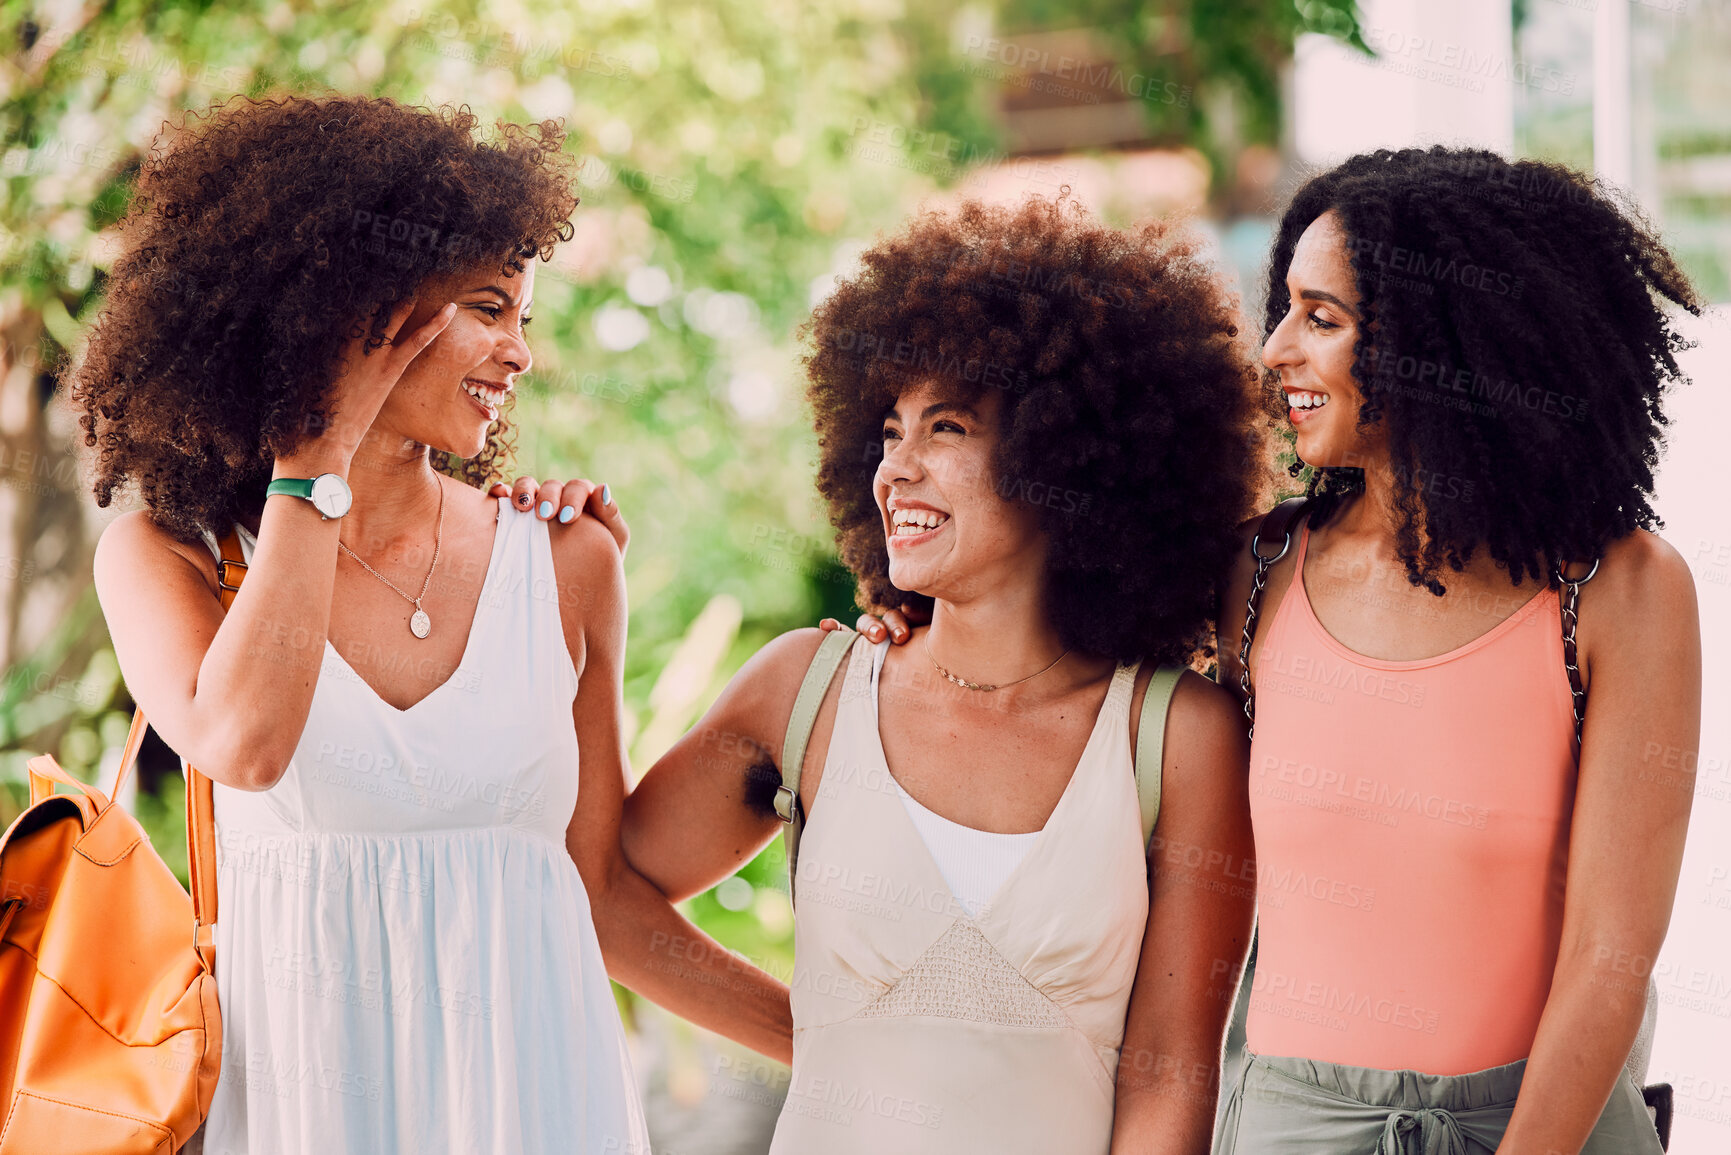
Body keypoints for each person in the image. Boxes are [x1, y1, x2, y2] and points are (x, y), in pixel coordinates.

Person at [860, 146, 1702, 1154]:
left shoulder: (1620, 591)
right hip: (1294, 1128)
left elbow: (1611, 956)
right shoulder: (1253, 574)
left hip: (1554, 1130)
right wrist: (913, 621)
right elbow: (1053, 667)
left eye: (1324, 318)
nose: (1275, 352)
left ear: (1453, 342)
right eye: (1286, 309)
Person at [71, 93, 790, 1154]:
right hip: (308, 1115)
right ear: (354, 309)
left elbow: (600, 900)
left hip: (540, 1111)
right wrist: (316, 456)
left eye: (525, 319)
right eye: (489, 309)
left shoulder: (566, 560)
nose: (520, 354)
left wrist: (848, 1046)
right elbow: (243, 745)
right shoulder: (172, 555)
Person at [599, 196, 1265, 1153]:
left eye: (945, 428)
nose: (895, 471)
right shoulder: (809, 692)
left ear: (1068, 454)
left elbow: (1169, 1072)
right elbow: (603, 893)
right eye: (887, 430)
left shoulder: (1173, 733)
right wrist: (809, 1038)